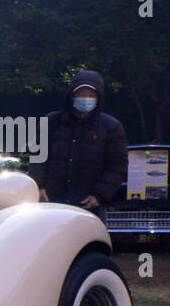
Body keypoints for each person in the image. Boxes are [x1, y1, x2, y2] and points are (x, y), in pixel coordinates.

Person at [29, 70, 127, 212]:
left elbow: (117, 166)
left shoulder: (111, 127)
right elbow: (37, 157)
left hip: (89, 204)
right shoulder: (51, 121)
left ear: (98, 98)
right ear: (71, 95)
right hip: (51, 202)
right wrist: (39, 186)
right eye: (81, 94)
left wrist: (99, 195)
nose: (86, 99)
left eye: (91, 95)